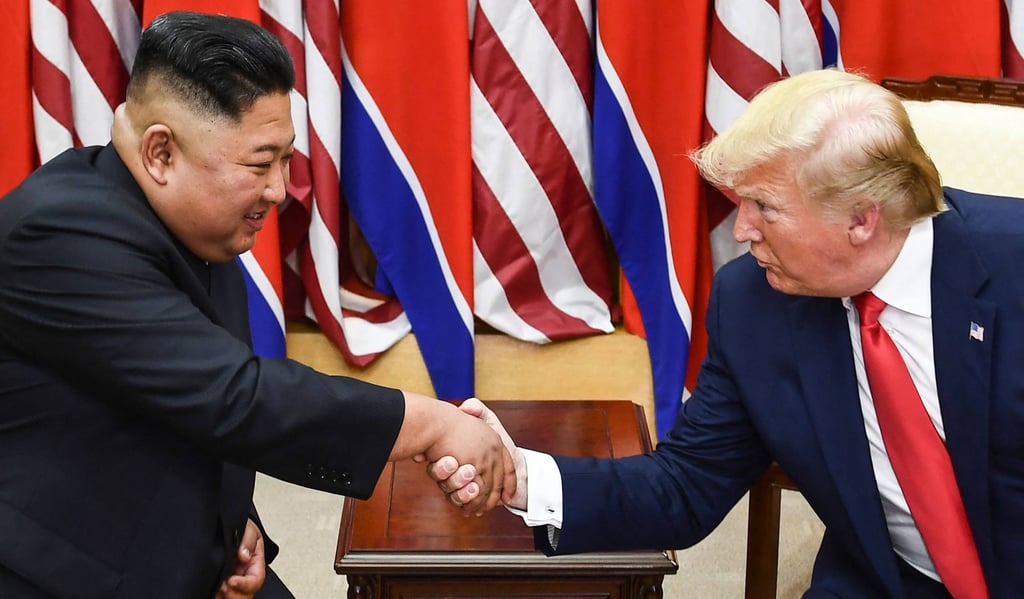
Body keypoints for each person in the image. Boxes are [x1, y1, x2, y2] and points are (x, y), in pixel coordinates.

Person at [433, 69, 1024, 598]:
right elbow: (684, 486)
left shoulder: (1012, 268)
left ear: (862, 219)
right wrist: (520, 474)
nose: (742, 231)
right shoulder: (755, 304)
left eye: (765, 207)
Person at [0, 11, 512, 599]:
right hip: (66, 574)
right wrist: (428, 422)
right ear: (161, 153)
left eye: (287, 160)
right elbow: (231, 395)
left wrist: (234, 522)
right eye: (259, 163)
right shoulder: (61, 233)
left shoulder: (192, 222)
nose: (279, 189)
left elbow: (172, 400)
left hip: (195, 554)